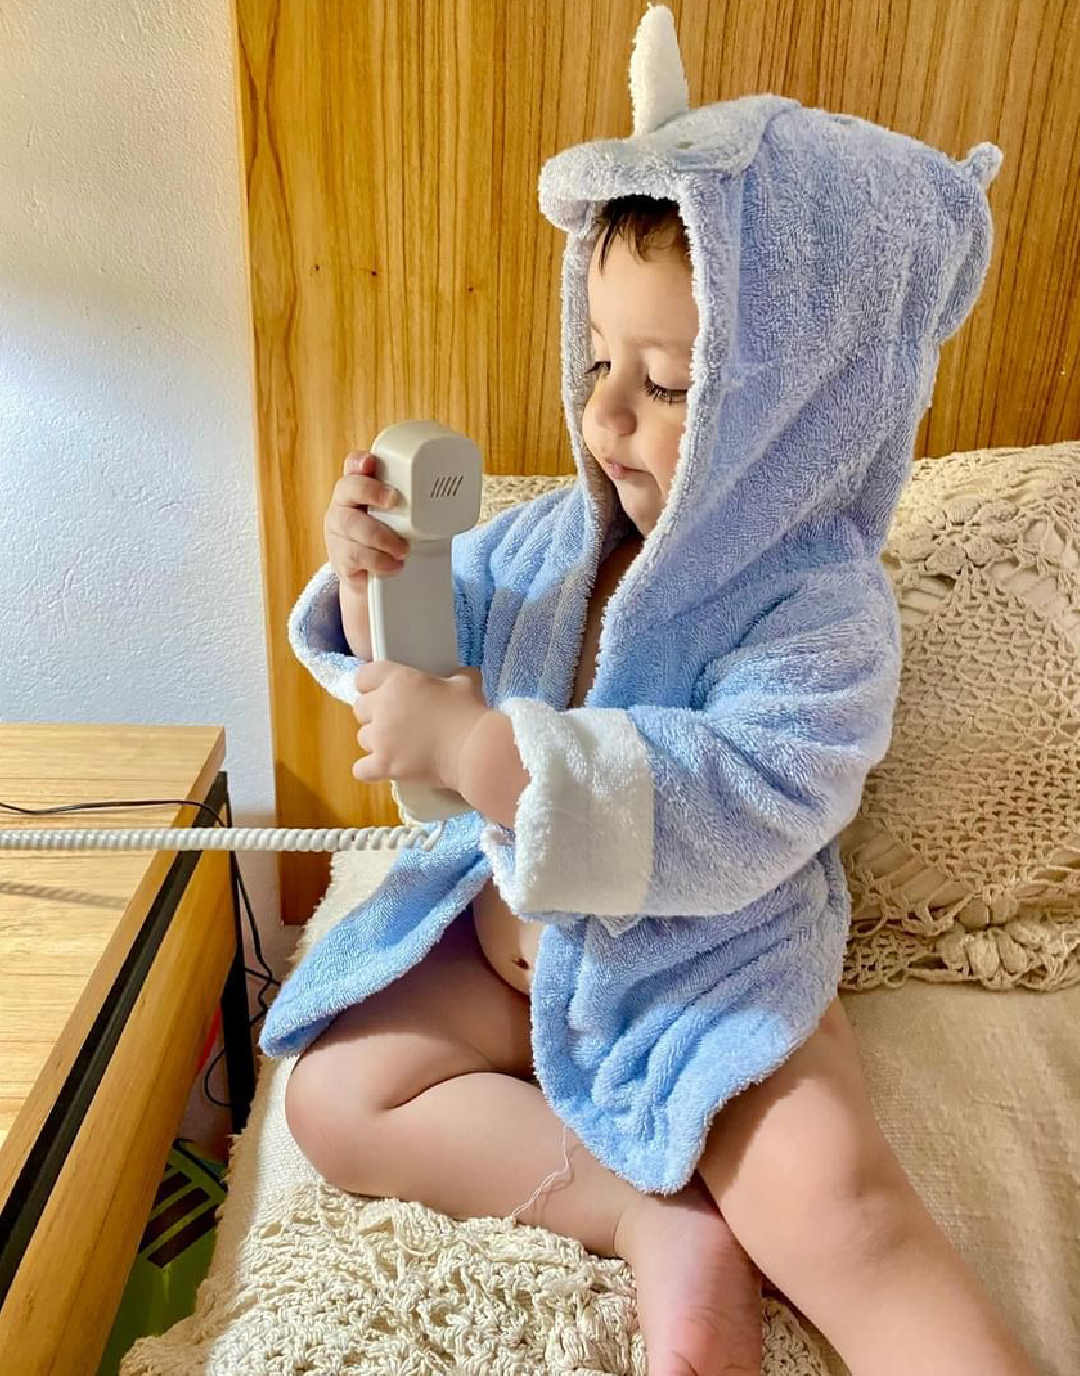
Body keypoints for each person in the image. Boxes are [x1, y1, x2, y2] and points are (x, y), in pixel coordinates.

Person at [267, 11, 1037, 1375]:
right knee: (336, 1099)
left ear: (803, 411)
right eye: (597, 362)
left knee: (837, 1210)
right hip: (508, 951)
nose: (607, 416)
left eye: (669, 383)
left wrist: (496, 757)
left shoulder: (816, 611)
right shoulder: (552, 544)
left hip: (703, 978)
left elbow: (758, 790)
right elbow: (432, 669)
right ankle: (648, 1219)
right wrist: (380, 574)